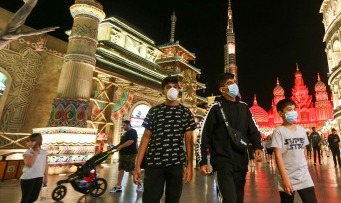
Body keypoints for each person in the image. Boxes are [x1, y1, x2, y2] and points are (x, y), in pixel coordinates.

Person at [198, 72, 263, 203]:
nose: (234, 85)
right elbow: (203, 135)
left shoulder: (244, 107)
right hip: (222, 161)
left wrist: (258, 147)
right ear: (222, 90)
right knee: (229, 199)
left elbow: (254, 130)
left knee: (239, 198)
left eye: (234, 82)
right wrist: (203, 161)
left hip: (241, 160)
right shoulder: (215, 108)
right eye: (229, 83)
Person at [133, 76, 196, 203]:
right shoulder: (154, 111)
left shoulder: (185, 112)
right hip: (154, 163)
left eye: (175, 87)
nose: (172, 89)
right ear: (163, 91)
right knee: (150, 199)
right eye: (168, 87)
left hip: (176, 164)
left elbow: (189, 140)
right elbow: (145, 138)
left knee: (173, 199)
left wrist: (189, 165)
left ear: (179, 90)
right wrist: (137, 165)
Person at [271, 99, 317, 203]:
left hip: (303, 175)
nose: (293, 112)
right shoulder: (279, 132)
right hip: (287, 176)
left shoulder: (301, 130)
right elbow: (278, 156)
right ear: (280, 113)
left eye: (294, 109)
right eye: (289, 109)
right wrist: (285, 178)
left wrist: (304, 165)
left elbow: (304, 149)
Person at [110, 120, 138, 193]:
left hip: (130, 154)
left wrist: (121, 146)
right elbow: (122, 143)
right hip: (123, 154)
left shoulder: (133, 132)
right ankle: (118, 186)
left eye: (124, 125)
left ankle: (140, 182)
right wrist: (116, 147)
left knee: (131, 170)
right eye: (123, 125)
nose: (123, 127)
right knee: (121, 169)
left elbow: (131, 141)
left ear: (129, 125)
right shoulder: (125, 133)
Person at [20, 133, 48, 203]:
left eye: (32, 141)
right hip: (28, 178)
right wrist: (35, 153)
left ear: (38, 141)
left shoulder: (44, 152)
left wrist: (46, 177)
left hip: (39, 177)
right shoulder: (28, 152)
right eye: (28, 141)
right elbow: (29, 164)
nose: (30, 143)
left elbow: (46, 165)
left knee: (34, 198)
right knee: (25, 199)